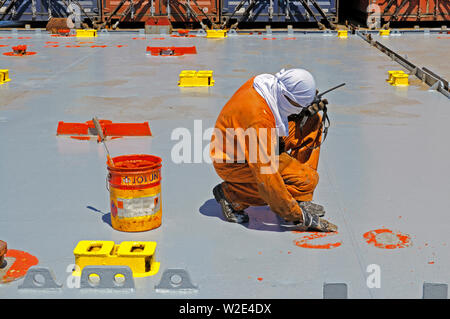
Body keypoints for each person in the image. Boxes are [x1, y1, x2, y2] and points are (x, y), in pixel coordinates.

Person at [210, 68, 337, 232]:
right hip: (234, 162)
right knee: (304, 180)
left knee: (311, 120)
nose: (300, 109)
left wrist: (298, 114)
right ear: (288, 99)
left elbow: (273, 117)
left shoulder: (268, 85)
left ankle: (299, 196)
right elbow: (267, 178)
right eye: (299, 106)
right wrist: (298, 216)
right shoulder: (258, 119)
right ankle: (231, 195)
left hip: (251, 143)